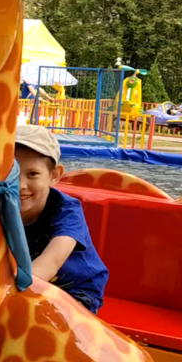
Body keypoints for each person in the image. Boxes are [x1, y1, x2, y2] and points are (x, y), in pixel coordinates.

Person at [15, 124, 108, 314]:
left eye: (32, 174)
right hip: (25, 282)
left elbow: (51, 261)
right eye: (11, 173)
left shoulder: (66, 211)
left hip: (75, 291)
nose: (20, 185)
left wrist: (9, 295)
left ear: (54, 175)